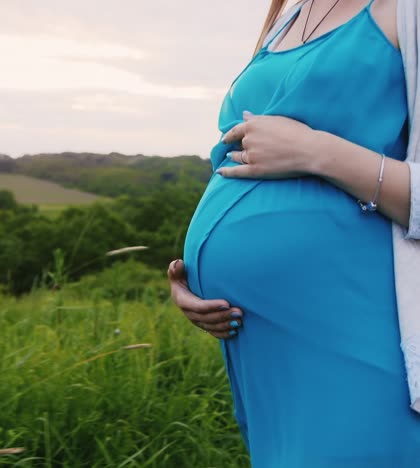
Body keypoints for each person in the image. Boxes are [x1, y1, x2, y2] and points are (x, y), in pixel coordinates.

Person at [167, 0, 420, 466]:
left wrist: (316, 151)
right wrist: (197, 277)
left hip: (357, 330)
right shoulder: (290, 11)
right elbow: (238, 160)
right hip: (262, 344)